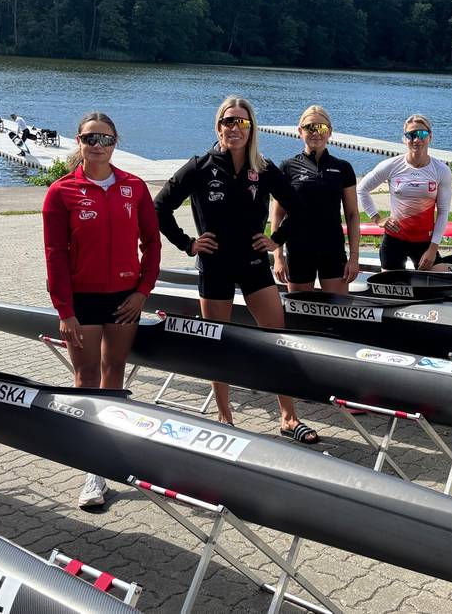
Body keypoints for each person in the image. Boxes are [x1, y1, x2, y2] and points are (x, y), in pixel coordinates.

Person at [155, 96, 319, 444]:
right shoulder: (199, 166)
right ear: (218, 127)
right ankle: (225, 418)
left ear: (251, 128)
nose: (234, 128)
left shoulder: (263, 167)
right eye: (228, 121)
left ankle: (289, 418)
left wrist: (276, 240)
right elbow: (159, 207)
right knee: (218, 342)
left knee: (277, 339)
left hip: (254, 265)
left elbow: (299, 209)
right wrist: (187, 243)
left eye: (242, 122)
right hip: (214, 265)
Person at [42, 112, 161, 508]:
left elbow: (153, 244)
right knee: (86, 376)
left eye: (105, 139)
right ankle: (91, 470)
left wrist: (143, 291)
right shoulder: (61, 192)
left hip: (125, 297)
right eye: (90, 138)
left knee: (115, 372)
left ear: (115, 143)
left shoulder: (134, 187)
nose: (98, 146)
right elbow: (55, 256)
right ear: (78, 142)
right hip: (82, 301)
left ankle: (113, 453)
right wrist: (64, 309)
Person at [271, 105, 361, 293]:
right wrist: (278, 255)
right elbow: (278, 214)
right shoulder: (287, 167)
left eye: (321, 128)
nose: (315, 133)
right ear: (300, 131)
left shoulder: (343, 168)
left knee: (339, 311)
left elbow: (352, 214)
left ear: (330, 132)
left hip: (332, 249)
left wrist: (354, 257)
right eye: (309, 127)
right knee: (301, 313)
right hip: (298, 249)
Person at [357, 114, 452, 271]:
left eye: (422, 134)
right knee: (393, 290)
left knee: (441, 278)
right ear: (404, 139)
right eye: (411, 135)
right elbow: (362, 189)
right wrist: (377, 218)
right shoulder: (391, 165)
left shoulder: (441, 170)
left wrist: (433, 248)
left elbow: (443, 212)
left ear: (430, 136)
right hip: (394, 240)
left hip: (424, 242)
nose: (416, 140)